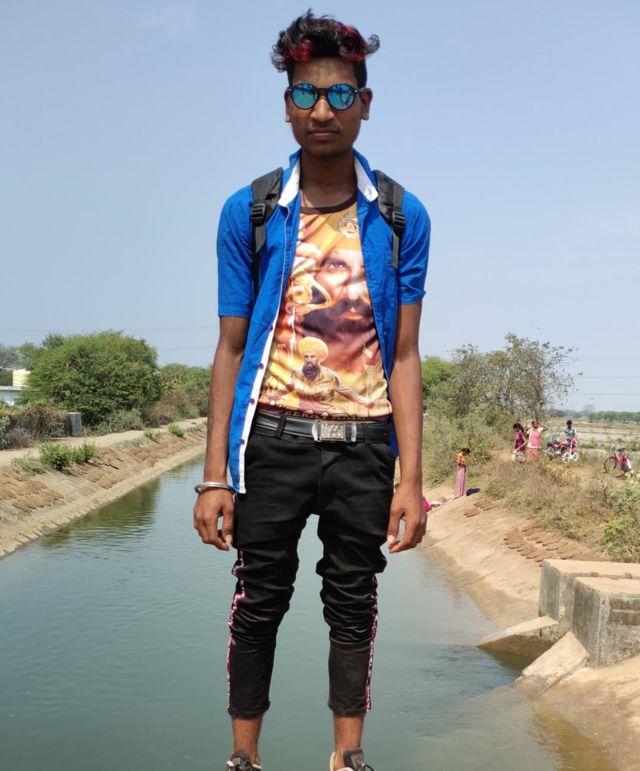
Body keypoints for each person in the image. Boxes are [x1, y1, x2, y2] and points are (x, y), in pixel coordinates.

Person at [192, 12, 431, 771]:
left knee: (353, 604)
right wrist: (214, 475)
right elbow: (231, 348)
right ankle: (244, 757)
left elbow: (404, 355)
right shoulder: (252, 211)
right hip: (274, 439)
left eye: (338, 94)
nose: (321, 109)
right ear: (286, 105)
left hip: (364, 446)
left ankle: (347, 756)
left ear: (366, 103)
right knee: (257, 600)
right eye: (305, 93)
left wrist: (412, 480)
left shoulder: (401, 216)